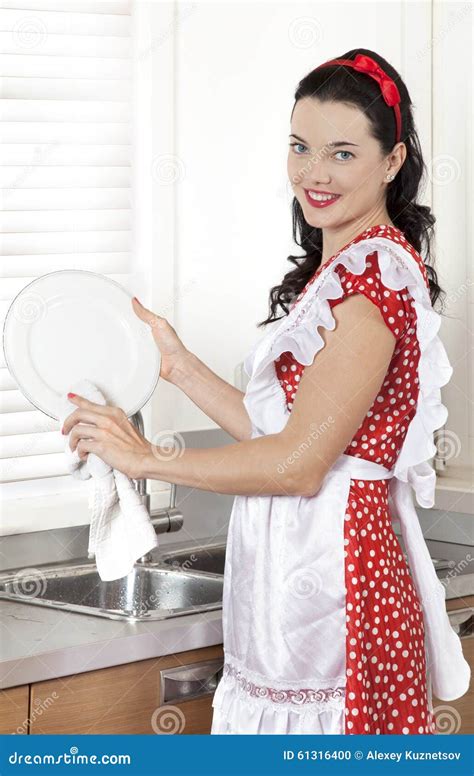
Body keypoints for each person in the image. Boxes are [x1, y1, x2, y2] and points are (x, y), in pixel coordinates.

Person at [62, 49, 470, 735]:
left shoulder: (372, 286)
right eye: (300, 146)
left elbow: (298, 465)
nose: (313, 172)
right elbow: (279, 434)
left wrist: (146, 460)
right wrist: (180, 366)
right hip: (300, 576)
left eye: (343, 153)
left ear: (393, 161)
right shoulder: (343, 268)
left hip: (339, 578)